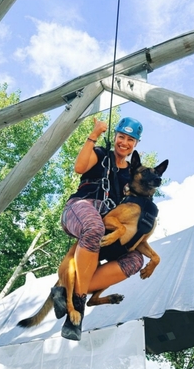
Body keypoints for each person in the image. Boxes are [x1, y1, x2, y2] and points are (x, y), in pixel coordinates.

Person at [54, 116, 144, 341]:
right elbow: (79, 167)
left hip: (107, 223)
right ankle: (78, 309)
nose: (124, 142)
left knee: (136, 259)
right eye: (121, 137)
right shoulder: (103, 155)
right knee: (93, 226)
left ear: (136, 144)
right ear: (114, 137)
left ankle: (66, 289)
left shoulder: (130, 175)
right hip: (81, 208)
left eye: (130, 139)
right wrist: (94, 135)